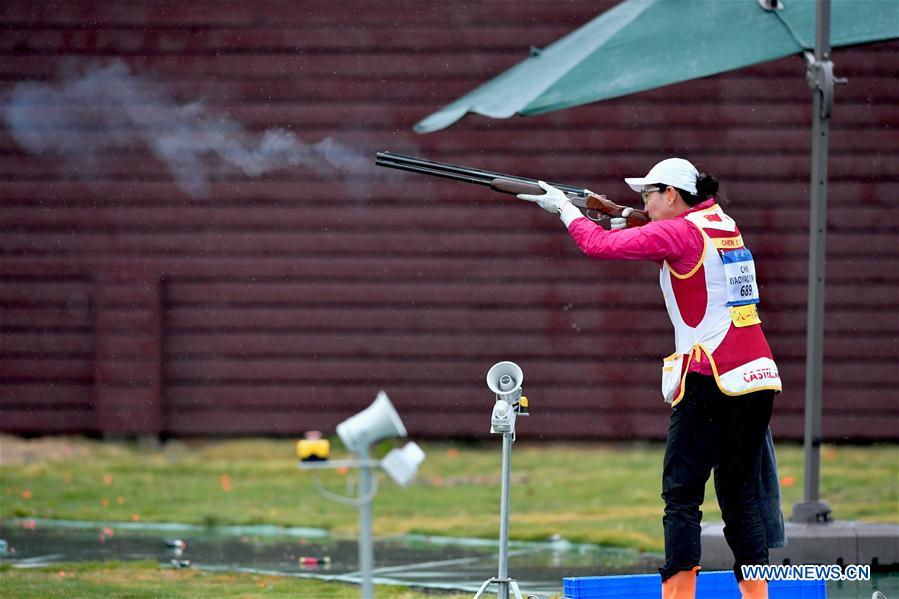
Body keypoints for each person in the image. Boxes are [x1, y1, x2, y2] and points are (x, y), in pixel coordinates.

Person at [517, 158, 782, 599]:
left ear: (671, 195)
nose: (644, 202)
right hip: (756, 378)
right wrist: (622, 213)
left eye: (648, 194)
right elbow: (659, 232)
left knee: (681, 496)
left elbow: (599, 247)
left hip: (708, 377)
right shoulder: (722, 222)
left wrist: (565, 208)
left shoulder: (679, 232)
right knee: (739, 497)